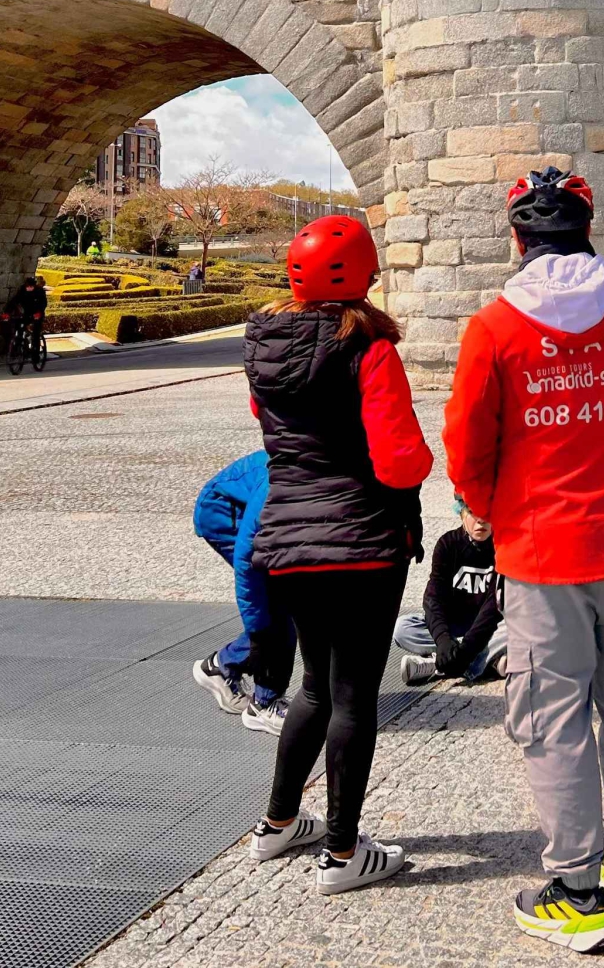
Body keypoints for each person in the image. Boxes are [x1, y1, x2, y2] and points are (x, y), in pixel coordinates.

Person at [444, 167, 604, 953]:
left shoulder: (493, 326)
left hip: (542, 548)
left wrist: (479, 507)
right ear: (589, 228)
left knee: (553, 713)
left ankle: (576, 890)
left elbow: (464, 443)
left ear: (517, 237)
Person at [242, 214, 433, 895]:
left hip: (287, 538)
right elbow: (400, 459)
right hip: (360, 541)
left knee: (313, 689)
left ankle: (278, 821)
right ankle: (345, 850)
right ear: (359, 275)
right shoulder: (368, 349)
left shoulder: (262, 347)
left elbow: (275, 435)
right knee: (354, 696)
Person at [190, 450, 297, 735]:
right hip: (222, 513)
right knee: (277, 608)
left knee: (287, 600)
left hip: (252, 507)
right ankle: (264, 704)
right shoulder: (277, 486)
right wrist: (259, 633)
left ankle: (222, 665)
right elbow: (247, 565)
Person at [392, 495, 506, 685]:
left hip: (489, 628)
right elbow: (433, 598)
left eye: (488, 513)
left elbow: (493, 608)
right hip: (455, 625)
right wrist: (443, 639)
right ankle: (490, 662)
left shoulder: (502, 547)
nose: (481, 520)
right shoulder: (448, 544)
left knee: (518, 630)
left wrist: (467, 649)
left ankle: (437, 666)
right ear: (461, 513)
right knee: (402, 628)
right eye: (472, 512)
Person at [2, 277, 47, 359]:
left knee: (36, 333)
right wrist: (7, 313)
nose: (29, 288)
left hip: (37, 314)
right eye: (28, 286)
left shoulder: (39, 291)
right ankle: (18, 348)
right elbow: (14, 301)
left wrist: (39, 312)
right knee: (18, 327)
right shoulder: (22, 291)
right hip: (26, 313)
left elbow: (43, 303)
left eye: (31, 286)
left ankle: (36, 353)